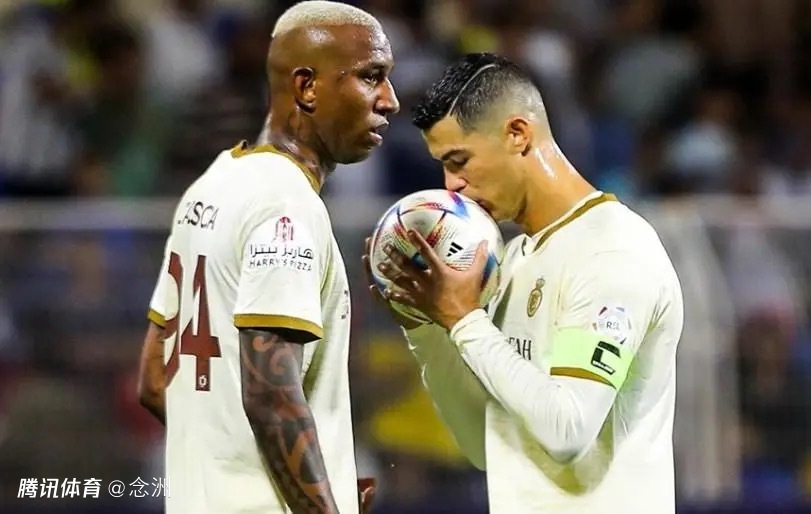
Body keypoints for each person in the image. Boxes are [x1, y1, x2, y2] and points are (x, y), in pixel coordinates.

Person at [363, 52, 683, 513]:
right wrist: (426, 328)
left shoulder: (613, 251)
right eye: (443, 166)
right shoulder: (511, 261)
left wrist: (465, 320)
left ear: (518, 133)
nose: (451, 185)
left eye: (459, 160)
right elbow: (483, 444)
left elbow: (567, 431)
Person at [136, 2, 399, 513]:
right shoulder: (287, 205)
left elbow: (154, 380)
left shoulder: (214, 182)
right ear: (307, 87)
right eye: (371, 76)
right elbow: (272, 399)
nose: (390, 100)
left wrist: (302, 482)